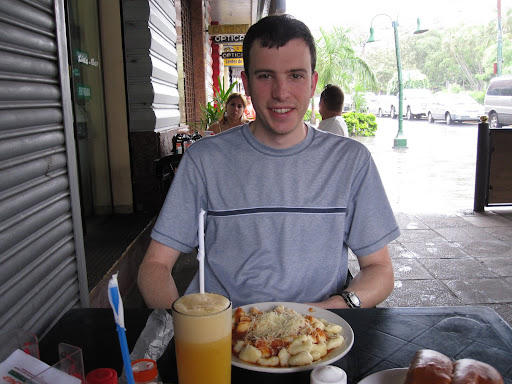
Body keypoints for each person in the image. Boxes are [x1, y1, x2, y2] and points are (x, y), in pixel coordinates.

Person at [138, 14, 399, 310]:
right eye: (265, 76)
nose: (281, 92)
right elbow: (154, 267)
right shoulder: (204, 160)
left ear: (313, 83)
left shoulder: (351, 161)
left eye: (295, 75)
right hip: (226, 336)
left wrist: (334, 309)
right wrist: (190, 331)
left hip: (319, 336)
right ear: (246, 82)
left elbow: (380, 269)